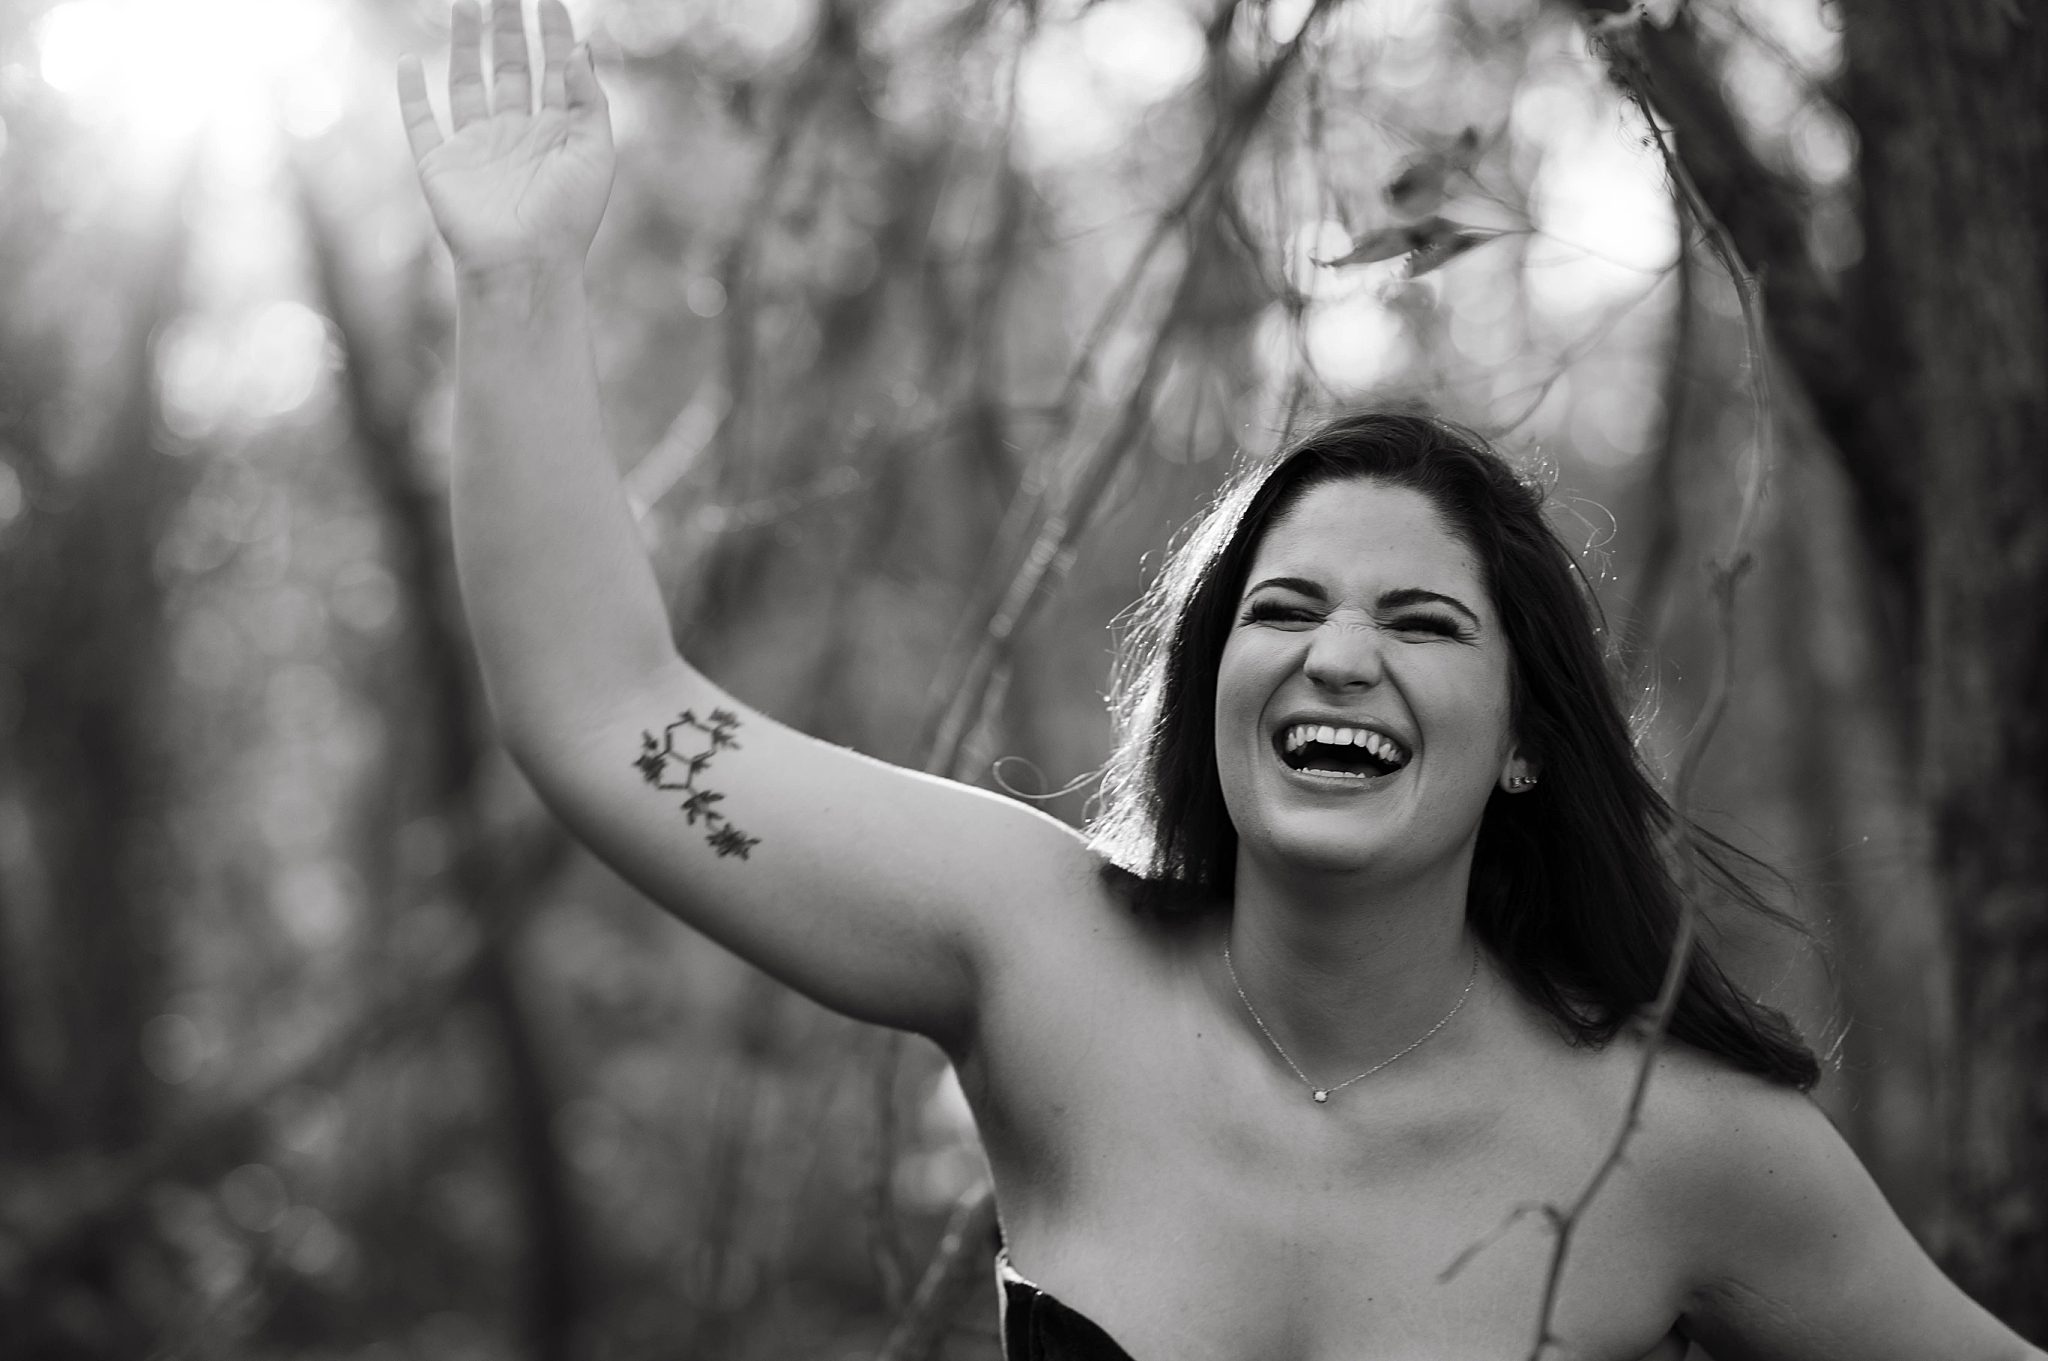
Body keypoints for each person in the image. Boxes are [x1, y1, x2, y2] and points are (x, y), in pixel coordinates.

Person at [397, 4, 2044, 1358]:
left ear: (1531, 741)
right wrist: (519, 282)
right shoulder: (1035, 957)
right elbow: (608, 715)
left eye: (1424, 622)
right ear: (1211, 689)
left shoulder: (1689, 1152)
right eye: (1288, 608)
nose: (1340, 653)